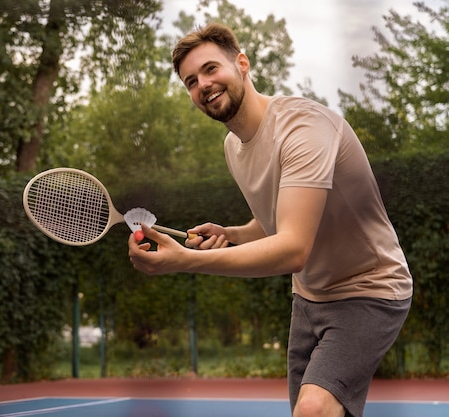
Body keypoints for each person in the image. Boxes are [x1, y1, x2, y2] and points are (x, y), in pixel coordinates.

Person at [128, 23, 412, 417]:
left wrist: (184, 261)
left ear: (242, 64)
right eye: (191, 81)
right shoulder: (233, 146)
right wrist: (233, 233)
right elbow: (281, 216)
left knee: (312, 410)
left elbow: (293, 248)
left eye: (211, 69)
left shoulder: (303, 128)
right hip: (309, 298)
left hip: (370, 288)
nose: (203, 85)